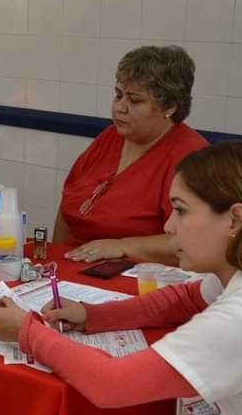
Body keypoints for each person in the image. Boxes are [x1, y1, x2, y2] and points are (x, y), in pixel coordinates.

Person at [0, 141, 242, 415]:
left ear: (234, 220)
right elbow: (183, 299)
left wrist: (27, 332)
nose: (169, 226)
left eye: (182, 210)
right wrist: (92, 315)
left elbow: (112, 383)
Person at [53, 45, 207, 264]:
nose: (119, 107)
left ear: (170, 107)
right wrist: (55, 258)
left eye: (135, 100)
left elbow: (193, 241)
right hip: (74, 267)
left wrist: (121, 246)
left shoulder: (190, 155)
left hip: (137, 277)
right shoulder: (110, 137)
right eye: (118, 95)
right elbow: (67, 205)